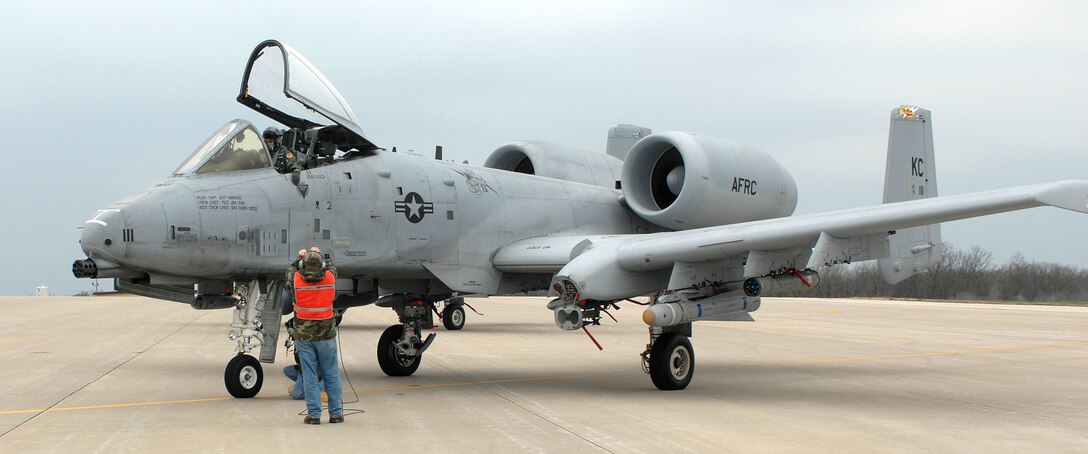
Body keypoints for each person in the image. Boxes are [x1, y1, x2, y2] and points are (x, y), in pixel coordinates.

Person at [292, 250, 344, 424]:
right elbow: (332, 267)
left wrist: (301, 257)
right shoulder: (330, 277)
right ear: (321, 265)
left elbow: (290, 269)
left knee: (310, 375)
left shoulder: (296, 279)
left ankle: (314, 415)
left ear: (302, 265)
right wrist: (317, 254)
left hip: (304, 337)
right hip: (326, 335)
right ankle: (336, 414)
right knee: (331, 374)